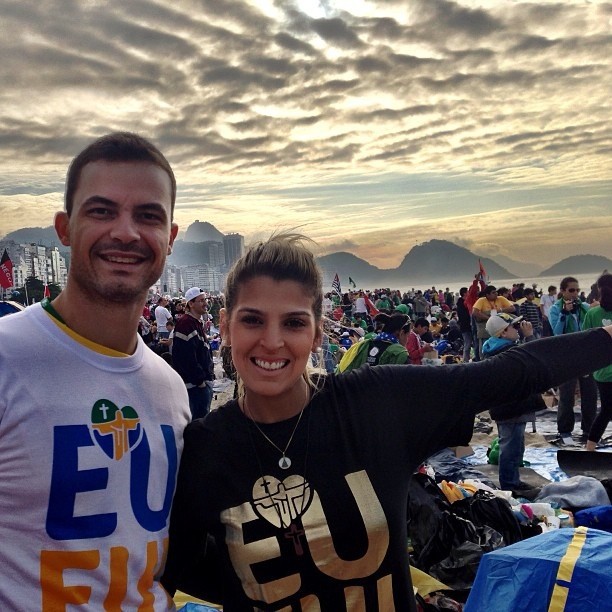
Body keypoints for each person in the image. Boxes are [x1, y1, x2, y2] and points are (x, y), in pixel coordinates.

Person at [160, 233, 612, 610]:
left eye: (294, 323)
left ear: (318, 330)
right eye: (252, 320)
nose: (272, 341)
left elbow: (504, 374)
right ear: (225, 326)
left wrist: (606, 339)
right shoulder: (206, 449)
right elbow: (171, 566)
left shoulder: (376, 405)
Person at [0, 132, 191, 609]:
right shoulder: (8, 359)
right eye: (102, 210)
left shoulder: (170, 390)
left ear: (169, 238)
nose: (125, 232)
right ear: (64, 229)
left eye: (148, 215)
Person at [482, 314, 544, 492]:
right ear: (502, 333)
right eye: (514, 326)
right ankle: (510, 484)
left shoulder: (497, 349)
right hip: (512, 407)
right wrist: (530, 337)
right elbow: (535, 358)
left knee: (515, 445)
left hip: (509, 406)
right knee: (510, 447)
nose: (518, 328)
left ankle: (513, 481)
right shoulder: (507, 353)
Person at [548, 276, 598, 445]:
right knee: (567, 395)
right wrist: (565, 313)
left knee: (590, 393)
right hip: (566, 356)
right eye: (571, 290)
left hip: (586, 355)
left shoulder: (583, 307)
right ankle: (564, 431)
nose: (575, 293)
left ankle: (589, 429)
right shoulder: (555, 309)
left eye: (577, 290)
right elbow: (557, 333)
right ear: (562, 291)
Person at [172, 286, 216, 419]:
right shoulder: (185, 324)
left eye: (205, 300)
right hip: (195, 387)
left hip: (201, 383)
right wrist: (199, 381)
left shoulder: (195, 322)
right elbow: (185, 357)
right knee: (198, 425)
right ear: (191, 304)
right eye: (201, 300)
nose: (205, 303)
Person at [584, 273, 612, 450]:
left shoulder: (592, 313)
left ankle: (589, 448)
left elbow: (585, 342)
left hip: (601, 371)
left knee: (606, 411)